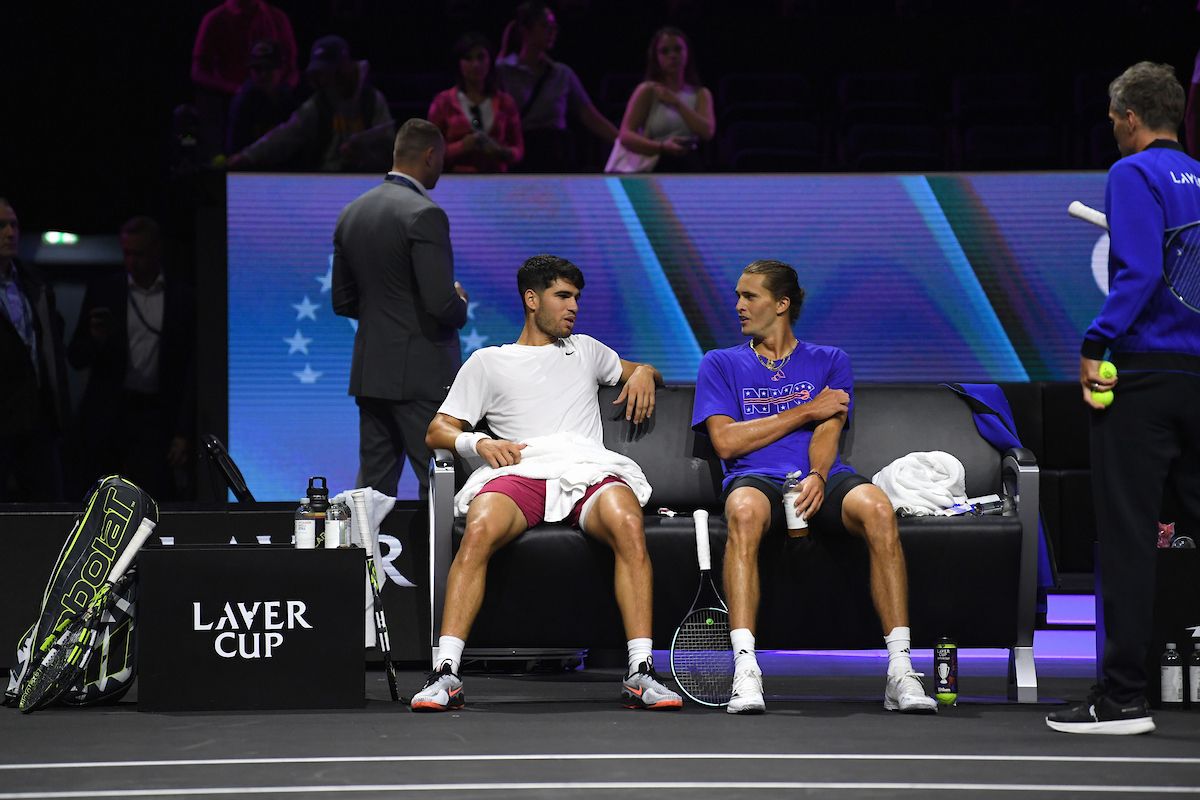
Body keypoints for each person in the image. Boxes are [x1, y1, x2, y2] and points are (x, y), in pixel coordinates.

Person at [411, 254, 682, 712]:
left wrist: (644, 376)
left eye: (577, 297)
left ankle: (640, 671)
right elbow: (438, 429)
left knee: (627, 522)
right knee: (478, 528)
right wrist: (477, 444)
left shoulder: (588, 350)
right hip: (522, 473)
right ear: (532, 300)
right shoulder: (488, 361)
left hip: (586, 470)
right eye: (563, 296)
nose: (573, 307)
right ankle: (446, 673)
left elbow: (643, 369)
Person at [691, 259, 938, 715]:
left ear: (781, 304)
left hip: (820, 477)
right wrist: (805, 411)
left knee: (878, 508)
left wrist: (818, 476)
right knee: (743, 510)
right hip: (754, 478)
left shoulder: (830, 360)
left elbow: (829, 431)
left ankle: (900, 669)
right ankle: (746, 669)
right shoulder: (720, 363)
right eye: (738, 296)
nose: (738, 306)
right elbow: (726, 442)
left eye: (750, 296)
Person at [1046, 62, 1200, 736]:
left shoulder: (1131, 175)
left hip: (1142, 378)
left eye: (1113, 117)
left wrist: (1096, 340)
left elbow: (1138, 272)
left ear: (1131, 117)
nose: (1110, 127)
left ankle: (1123, 698)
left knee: (1130, 535)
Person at [332, 119, 468, 499]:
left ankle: (367, 561)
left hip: (371, 373)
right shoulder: (425, 214)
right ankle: (444, 562)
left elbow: (342, 302)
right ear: (430, 155)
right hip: (422, 376)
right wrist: (460, 302)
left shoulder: (351, 213)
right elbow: (442, 305)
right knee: (444, 485)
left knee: (372, 493)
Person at [68, 217, 196, 501]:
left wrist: (182, 431)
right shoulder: (106, 290)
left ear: (157, 251)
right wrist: (96, 339)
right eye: (127, 253)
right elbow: (76, 356)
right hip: (110, 411)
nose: (132, 262)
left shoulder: (182, 297)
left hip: (156, 414)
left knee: (153, 494)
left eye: (139, 254)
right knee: (101, 496)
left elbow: (190, 370)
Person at [228, 35, 393, 172]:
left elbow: (389, 148)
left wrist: (364, 155)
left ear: (343, 68)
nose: (321, 77)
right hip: (326, 182)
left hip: (368, 180)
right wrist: (247, 156)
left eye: (327, 70)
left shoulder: (372, 100)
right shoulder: (319, 103)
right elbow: (286, 134)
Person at [494, 2, 618, 172]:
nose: (552, 32)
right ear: (525, 31)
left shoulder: (561, 74)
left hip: (555, 157)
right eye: (545, 26)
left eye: (554, 27)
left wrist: (622, 141)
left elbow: (589, 116)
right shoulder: (503, 71)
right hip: (518, 157)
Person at [0, 198, 68, 502]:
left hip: (37, 415)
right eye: (1, 226)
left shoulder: (33, 282)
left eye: (14, 224)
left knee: (50, 506)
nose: (10, 232)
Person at [191, 0, 298, 158]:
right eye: (258, 70)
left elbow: (292, 66)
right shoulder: (215, 19)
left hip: (274, 103)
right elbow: (198, 71)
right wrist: (235, 89)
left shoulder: (277, 17)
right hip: (230, 102)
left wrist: (283, 89)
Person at [607, 26, 715, 173]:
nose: (672, 56)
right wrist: (662, 147)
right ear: (656, 57)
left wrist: (677, 103)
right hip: (655, 163)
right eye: (665, 51)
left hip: (689, 164)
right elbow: (626, 135)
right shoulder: (648, 90)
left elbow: (707, 132)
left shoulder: (701, 93)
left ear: (687, 53)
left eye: (678, 49)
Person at [428, 33, 524, 174]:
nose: (476, 64)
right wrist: (462, 146)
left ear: (490, 60)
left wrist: (500, 151)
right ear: (459, 63)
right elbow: (430, 151)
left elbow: (518, 149)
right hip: (457, 183)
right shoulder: (443, 102)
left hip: (497, 181)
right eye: (468, 58)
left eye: (481, 57)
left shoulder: (505, 102)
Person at [225, 39, 303, 154]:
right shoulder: (243, 103)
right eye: (257, 69)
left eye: (269, 68)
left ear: (280, 69)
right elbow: (235, 150)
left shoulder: (291, 101)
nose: (263, 74)